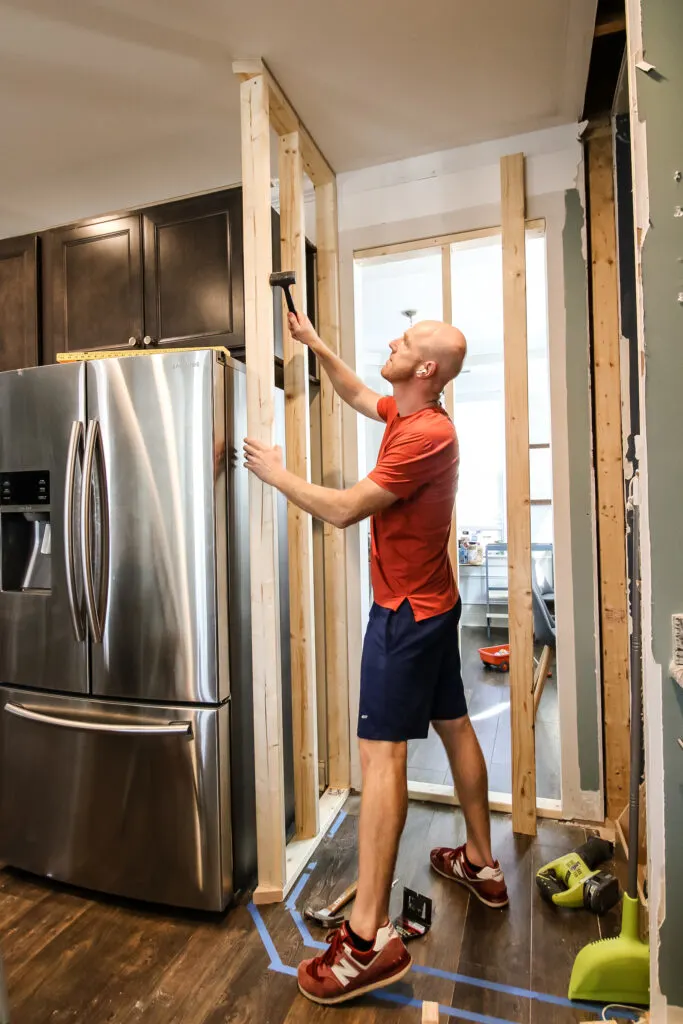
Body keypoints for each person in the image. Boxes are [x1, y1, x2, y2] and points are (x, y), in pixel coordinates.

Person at [244, 313, 508, 1007]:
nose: (389, 346)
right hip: (433, 602)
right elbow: (359, 394)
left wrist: (275, 473)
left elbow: (340, 510)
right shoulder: (408, 411)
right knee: (452, 723)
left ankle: (367, 943)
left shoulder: (425, 435)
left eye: (402, 345)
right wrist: (316, 345)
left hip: (404, 617)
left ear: (425, 369)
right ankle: (481, 864)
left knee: (380, 759)